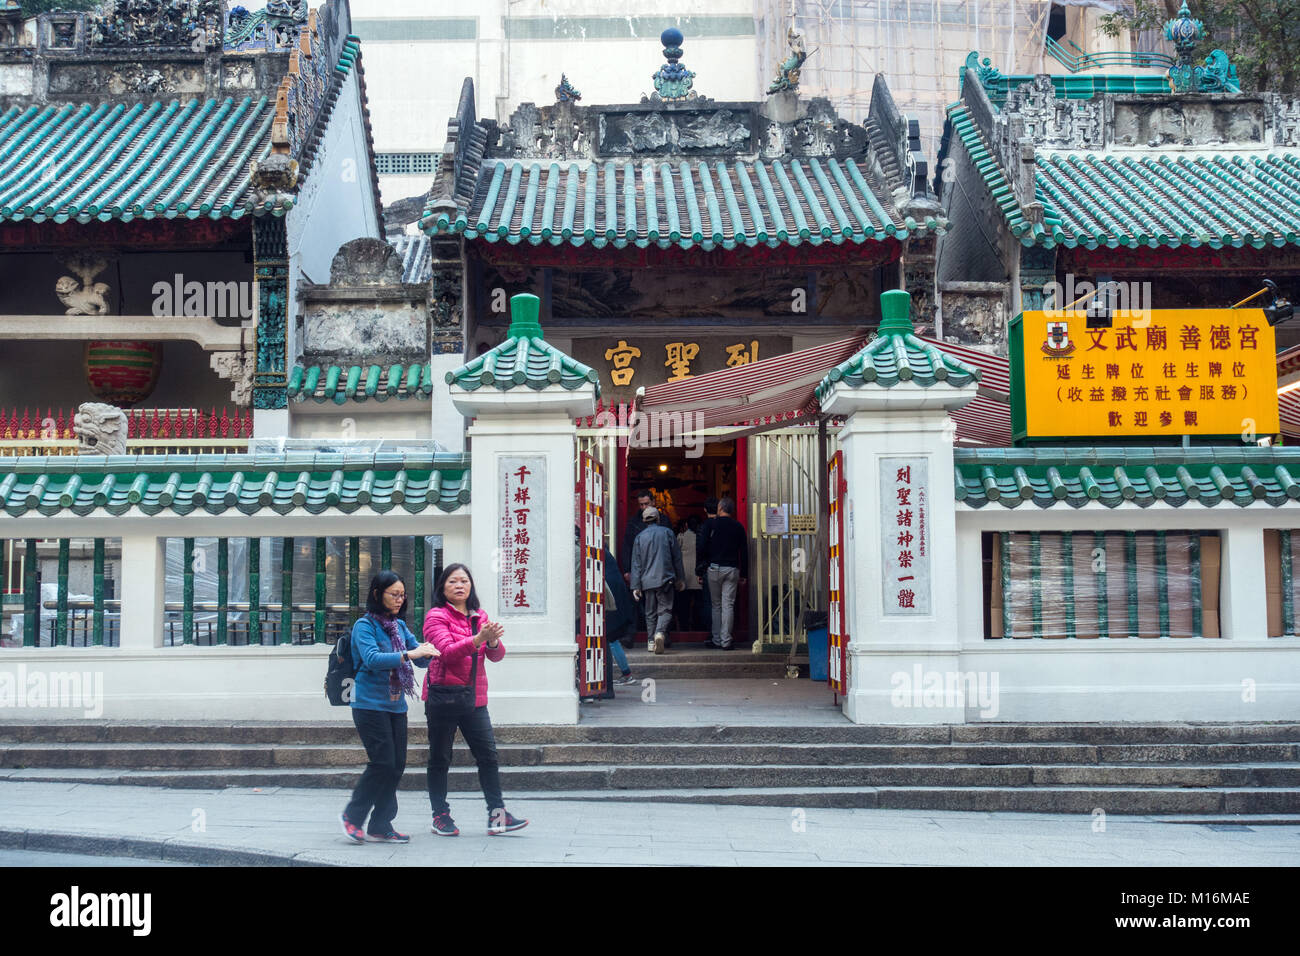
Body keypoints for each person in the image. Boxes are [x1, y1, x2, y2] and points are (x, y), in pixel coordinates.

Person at [422, 563, 528, 836]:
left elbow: (496, 655)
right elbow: (445, 652)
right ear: (442, 588)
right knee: (440, 758)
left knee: (488, 756)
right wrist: (479, 638)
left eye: (464, 581)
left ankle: (497, 815)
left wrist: (491, 641)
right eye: (453, 582)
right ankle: (440, 816)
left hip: (475, 698)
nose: (459, 586)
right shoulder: (435, 616)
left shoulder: (479, 616)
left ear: (471, 587)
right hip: (443, 697)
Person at [340, 571, 440, 845]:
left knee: (396, 766)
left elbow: (418, 659)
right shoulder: (365, 626)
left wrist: (430, 651)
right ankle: (352, 816)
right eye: (393, 594)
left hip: (395, 706)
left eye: (402, 595)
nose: (399, 600)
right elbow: (372, 659)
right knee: (382, 762)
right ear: (377, 594)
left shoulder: (398, 627)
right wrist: (410, 654)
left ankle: (381, 824)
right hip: (369, 704)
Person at [629, 505, 685, 655]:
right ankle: (660, 633)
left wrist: (635, 586)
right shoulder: (667, 533)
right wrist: (681, 579)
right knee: (665, 609)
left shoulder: (639, 537)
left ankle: (650, 641)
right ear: (658, 518)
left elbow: (636, 563)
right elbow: (677, 558)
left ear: (644, 520)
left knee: (650, 612)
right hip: (665, 579)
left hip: (647, 582)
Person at [700, 496, 749, 650]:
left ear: (720, 508)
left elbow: (702, 547)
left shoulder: (710, 524)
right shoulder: (738, 527)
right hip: (732, 569)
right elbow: (744, 552)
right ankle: (726, 640)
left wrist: (702, 568)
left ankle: (716, 639)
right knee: (728, 604)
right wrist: (744, 574)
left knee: (716, 605)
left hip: (714, 568)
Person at [696, 497, 719, 645]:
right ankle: (723, 634)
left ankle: (712, 633)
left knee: (709, 603)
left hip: (708, 568)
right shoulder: (723, 524)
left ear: (704, 510)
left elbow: (701, 549)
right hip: (724, 566)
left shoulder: (704, 527)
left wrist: (699, 571)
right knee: (724, 604)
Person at [675, 517, 703, 634]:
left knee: (683, 604)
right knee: (698, 603)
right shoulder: (701, 537)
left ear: (686, 524)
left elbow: (675, 553)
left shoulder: (681, 537)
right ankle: (698, 626)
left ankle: (684, 627)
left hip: (684, 575)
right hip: (698, 575)